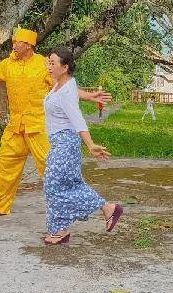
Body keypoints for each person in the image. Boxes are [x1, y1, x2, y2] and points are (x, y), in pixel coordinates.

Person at [0, 28, 111, 217]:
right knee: (5, 166)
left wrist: (88, 96)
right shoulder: (7, 65)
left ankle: (73, 205)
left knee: (52, 170)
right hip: (16, 128)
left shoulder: (43, 65)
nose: (13, 45)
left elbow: (63, 88)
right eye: (13, 42)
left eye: (17, 42)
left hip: (40, 128)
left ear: (29, 45)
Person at [42, 47, 123, 245]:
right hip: (60, 142)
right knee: (69, 184)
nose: (49, 66)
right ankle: (106, 210)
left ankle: (62, 229)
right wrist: (90, 96)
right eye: (48, 62)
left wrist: (90, 144)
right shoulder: (62, 85)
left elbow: (78, 119)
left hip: (65, 143)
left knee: (53, 184)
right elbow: (73, 92)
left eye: (53, 63)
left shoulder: (65, 91)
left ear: (65, 67)